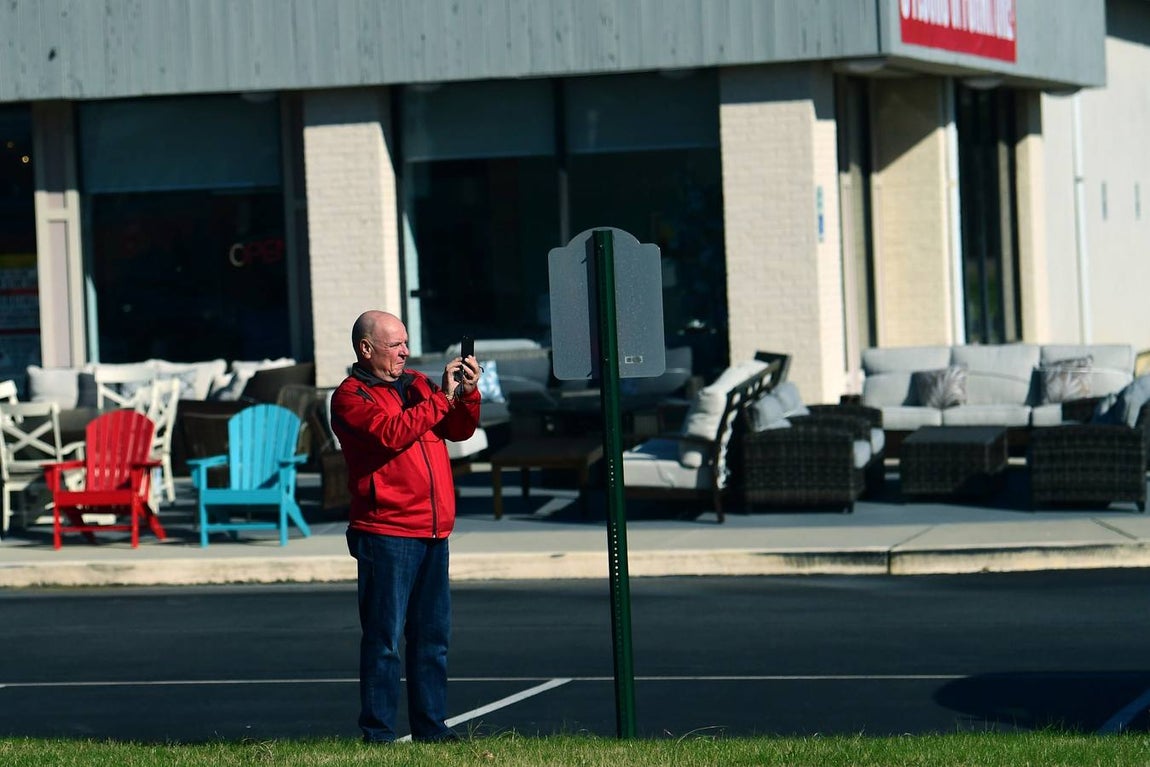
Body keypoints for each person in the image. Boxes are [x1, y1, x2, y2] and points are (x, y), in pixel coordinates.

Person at [331, 310, 481, 744]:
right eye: (395, 345)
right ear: (366, 349)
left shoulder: (417, 383)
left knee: (432, 640)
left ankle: (431, 729)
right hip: (386, 532)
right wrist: (441, 398)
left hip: (433, 530)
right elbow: (393, 433)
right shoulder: (351, 398)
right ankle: (377, 735)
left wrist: (466, 394)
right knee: (384, 641)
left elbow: (459, 430)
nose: (405, 352)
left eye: (405, 343)